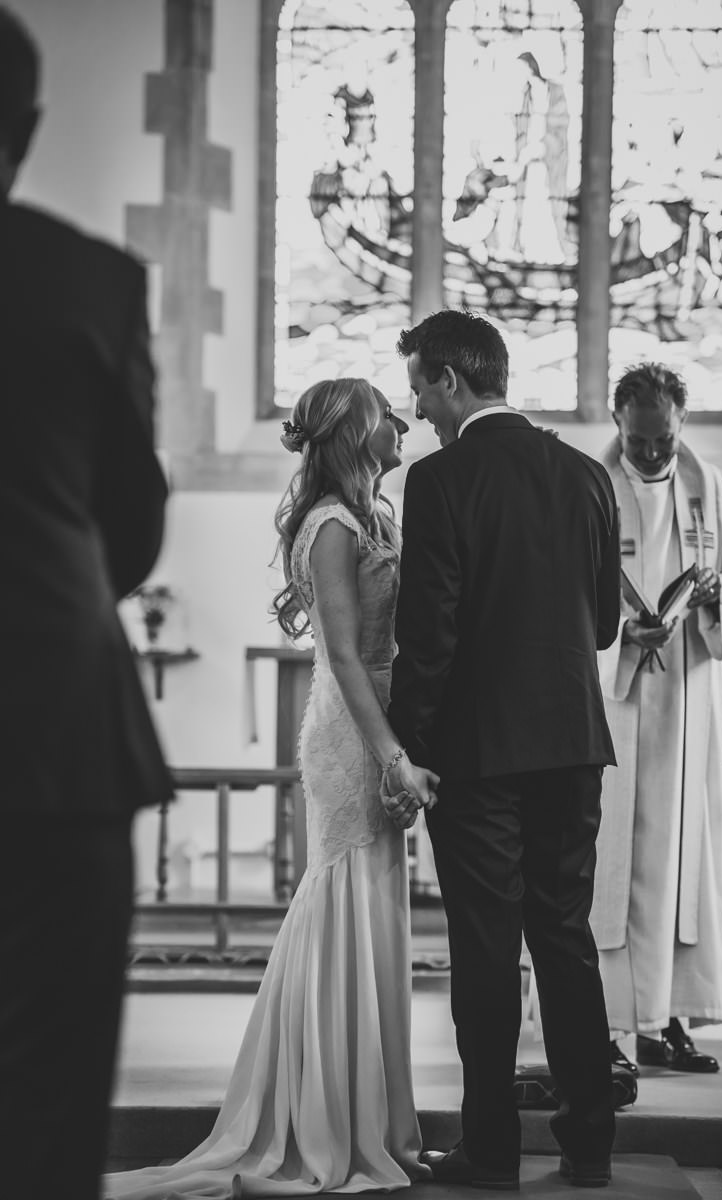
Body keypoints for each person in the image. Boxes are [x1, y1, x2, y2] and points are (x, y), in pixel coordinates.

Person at [104, 377, 439, 1199]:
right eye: (384, 415)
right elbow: (346, 656)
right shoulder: (331, 526)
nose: (401, 422)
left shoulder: (374, 516)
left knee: (373, 909)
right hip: (355, 735)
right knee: (345, 901)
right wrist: (393, 756)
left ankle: (376, 1122)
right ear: (358, 434)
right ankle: (328, 1124)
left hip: (384, 726)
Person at [0, 8, 172, 1200]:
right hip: (52, 722)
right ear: (26, 128)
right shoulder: (89, 280)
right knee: (50, 1103)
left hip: (57, 722)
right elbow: (134, 513)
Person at [388, 309, 620, 1190]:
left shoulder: (439, 480)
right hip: (571, 745)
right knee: (564, 938)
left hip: (476, 755)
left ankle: (489, 1151)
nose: (419, 408)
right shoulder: (583, 475)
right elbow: (600, 625)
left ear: (451, 379)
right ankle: (589, 1146)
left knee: (485, 949)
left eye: (419, 387)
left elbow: (430, 634)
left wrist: (405, 751)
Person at [592, 362, 722, 1075]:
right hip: (613, 703)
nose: (653, 456)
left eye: (663, 441)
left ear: (680, 425)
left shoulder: (712, 489)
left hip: (688, 699)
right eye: (639, 443)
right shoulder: (588, 489)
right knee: (613, 866)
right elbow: (559, 594)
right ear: (617, 425)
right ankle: (606, 1030)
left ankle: (666, 1021)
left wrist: (711, 596)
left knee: (677, 866)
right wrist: (616, 636)